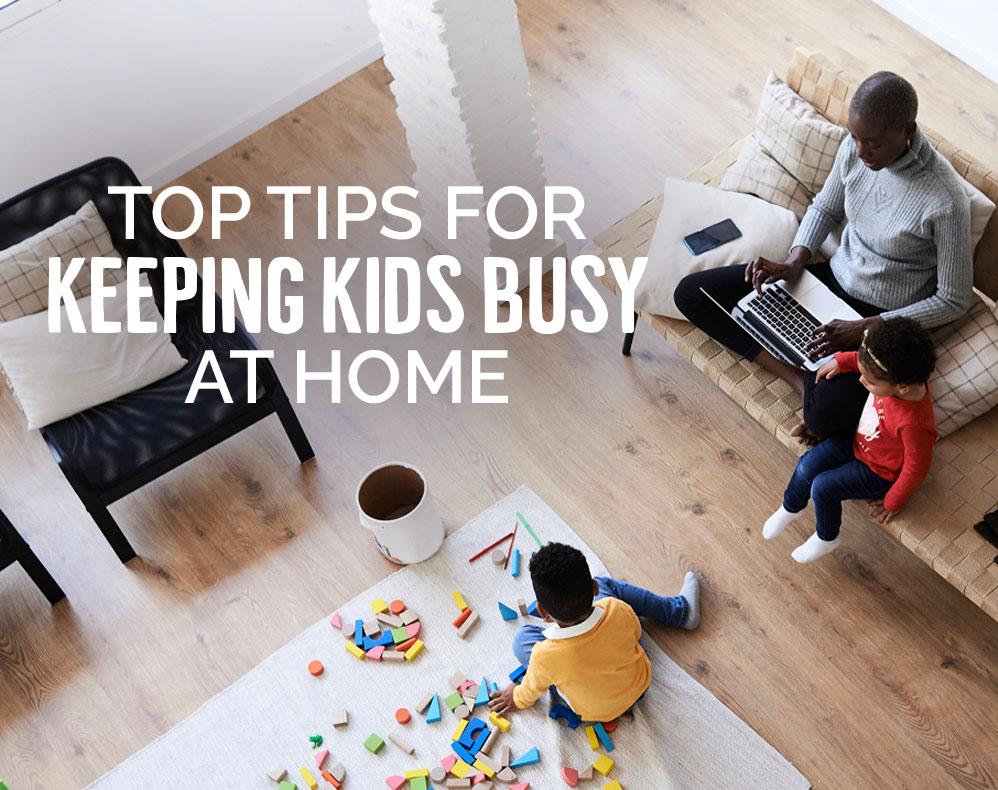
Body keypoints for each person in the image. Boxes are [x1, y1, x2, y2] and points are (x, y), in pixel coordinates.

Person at [673, 71, 972, 443]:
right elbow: (825, 208)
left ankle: (813, 382)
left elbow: (954, 299)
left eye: (873, 144)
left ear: (907, 131)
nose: (861, 152)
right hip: (829, 277)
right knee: (691, 294)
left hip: (877, 318)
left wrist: (866, 327)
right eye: (855, 138)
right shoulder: (855, 149)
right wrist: (795, 260)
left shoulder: (945, 200)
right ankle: (797, 377)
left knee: (826, 420)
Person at [761, 317, 937, 563]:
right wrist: (843, 361)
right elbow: (862, 362)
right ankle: (791, 506)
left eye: (870, 382)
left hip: (878, 471)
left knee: (823, 487)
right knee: (807, 464)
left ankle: (827, 537)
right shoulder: (894, 372)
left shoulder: (915, 424)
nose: (862, 381)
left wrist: (893, 501)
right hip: (856, 441)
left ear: (902, 387)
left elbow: (916, 468)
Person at [486, 542, 699, 722]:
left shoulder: (544, 656)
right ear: (593, 587)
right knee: (611, 587)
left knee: (522, 640)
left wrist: (515, 697)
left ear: (543, 612)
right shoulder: (616, 608)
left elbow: (529, 692)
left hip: (595, 712)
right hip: (640, 683)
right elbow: (636, 634)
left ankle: (584, 681)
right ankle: (679, 611)